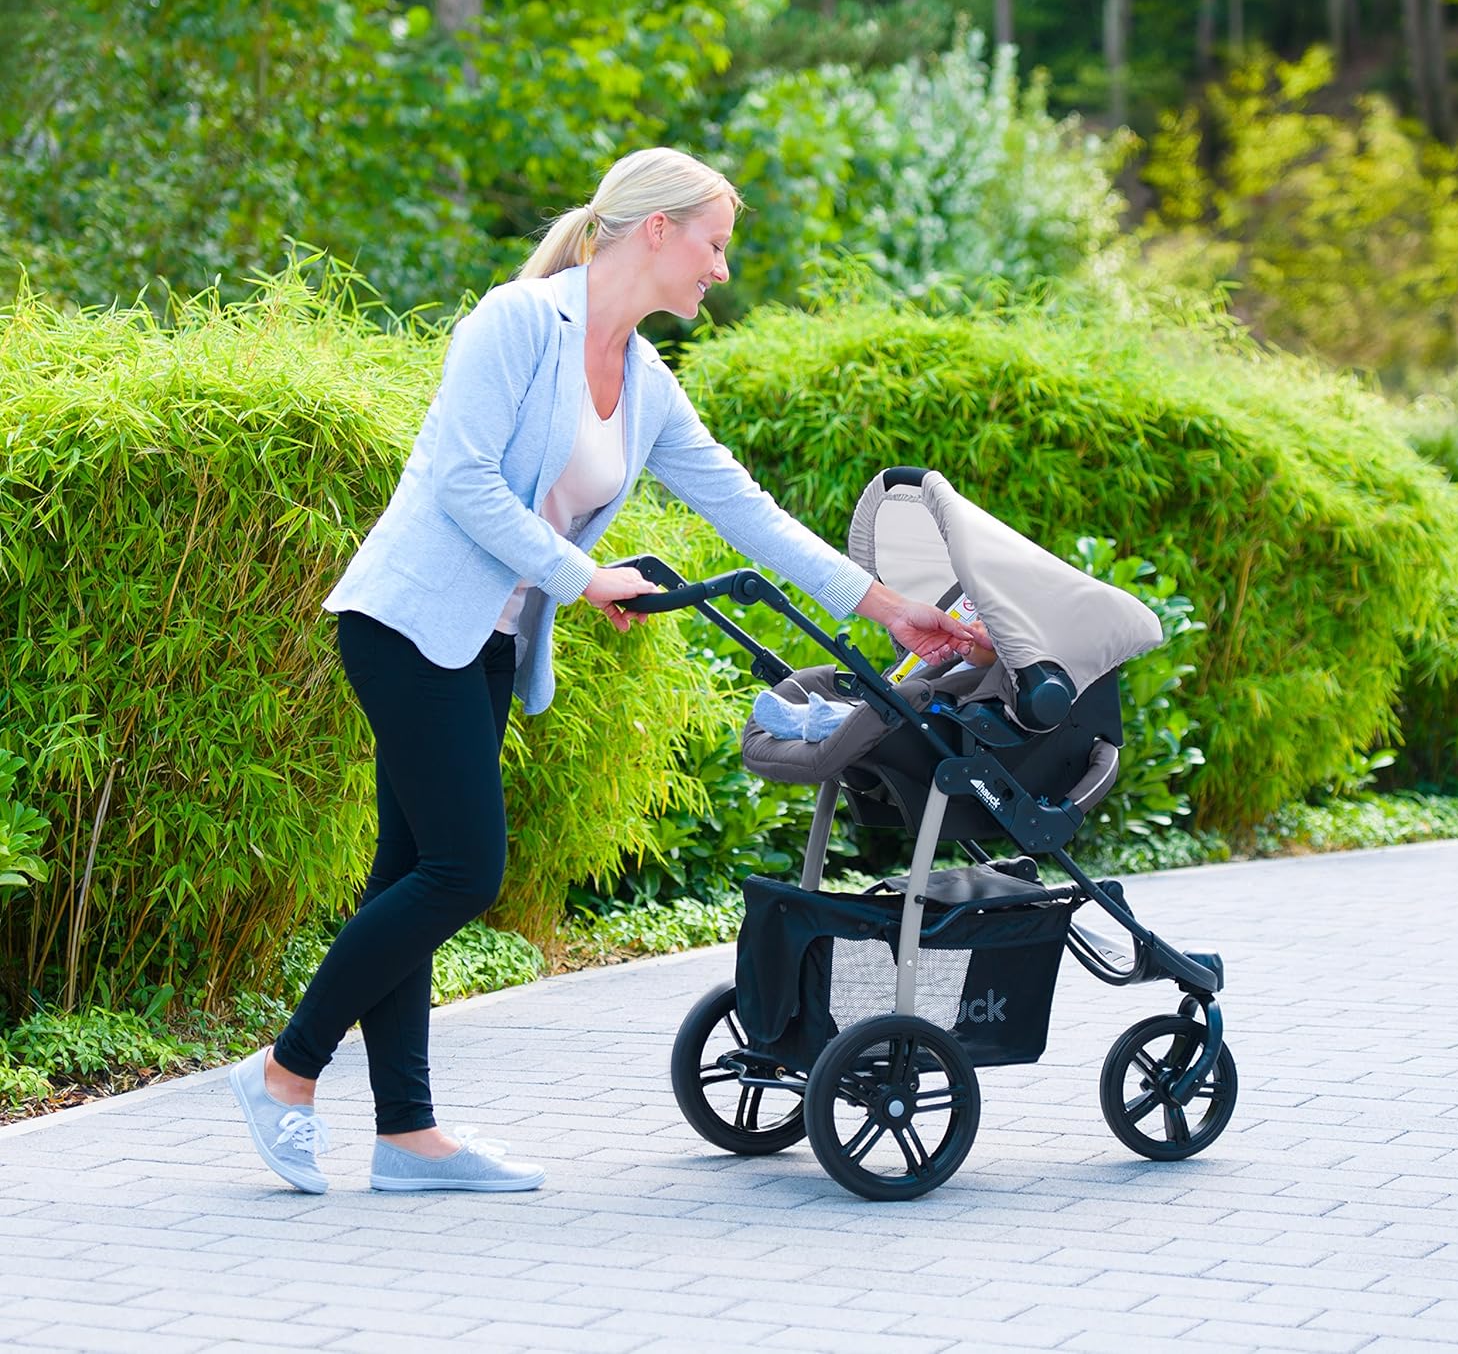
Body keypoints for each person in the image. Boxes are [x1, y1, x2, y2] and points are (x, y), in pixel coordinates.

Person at [229, 146, 984, 1195]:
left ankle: (406, 1135)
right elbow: (460, 480)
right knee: (462, 870)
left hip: (488, 640)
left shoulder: (642, 379)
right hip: (407, 623)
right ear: (658, 229)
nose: (721, 269)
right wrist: (584, 575)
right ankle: (285, 1070)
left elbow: (747, 513)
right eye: (715, 244)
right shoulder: (515, 321)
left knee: (408, 876)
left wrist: (893, 607)